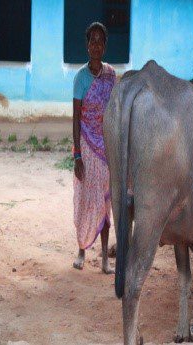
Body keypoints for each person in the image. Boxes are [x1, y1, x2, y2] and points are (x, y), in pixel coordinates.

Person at [72, 22, 116, 274]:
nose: (96, 45)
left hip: (106, 148)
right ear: (87, 46)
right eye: (92, 41)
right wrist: (77, 154)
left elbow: (116, 112)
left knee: (104, 203)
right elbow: (76, 118)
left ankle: (105, 260)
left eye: (100, 41)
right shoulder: (80, 79)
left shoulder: (111, 76)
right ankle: (81, 251)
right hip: (87, 147)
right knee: (86, 200)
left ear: (104, 46)